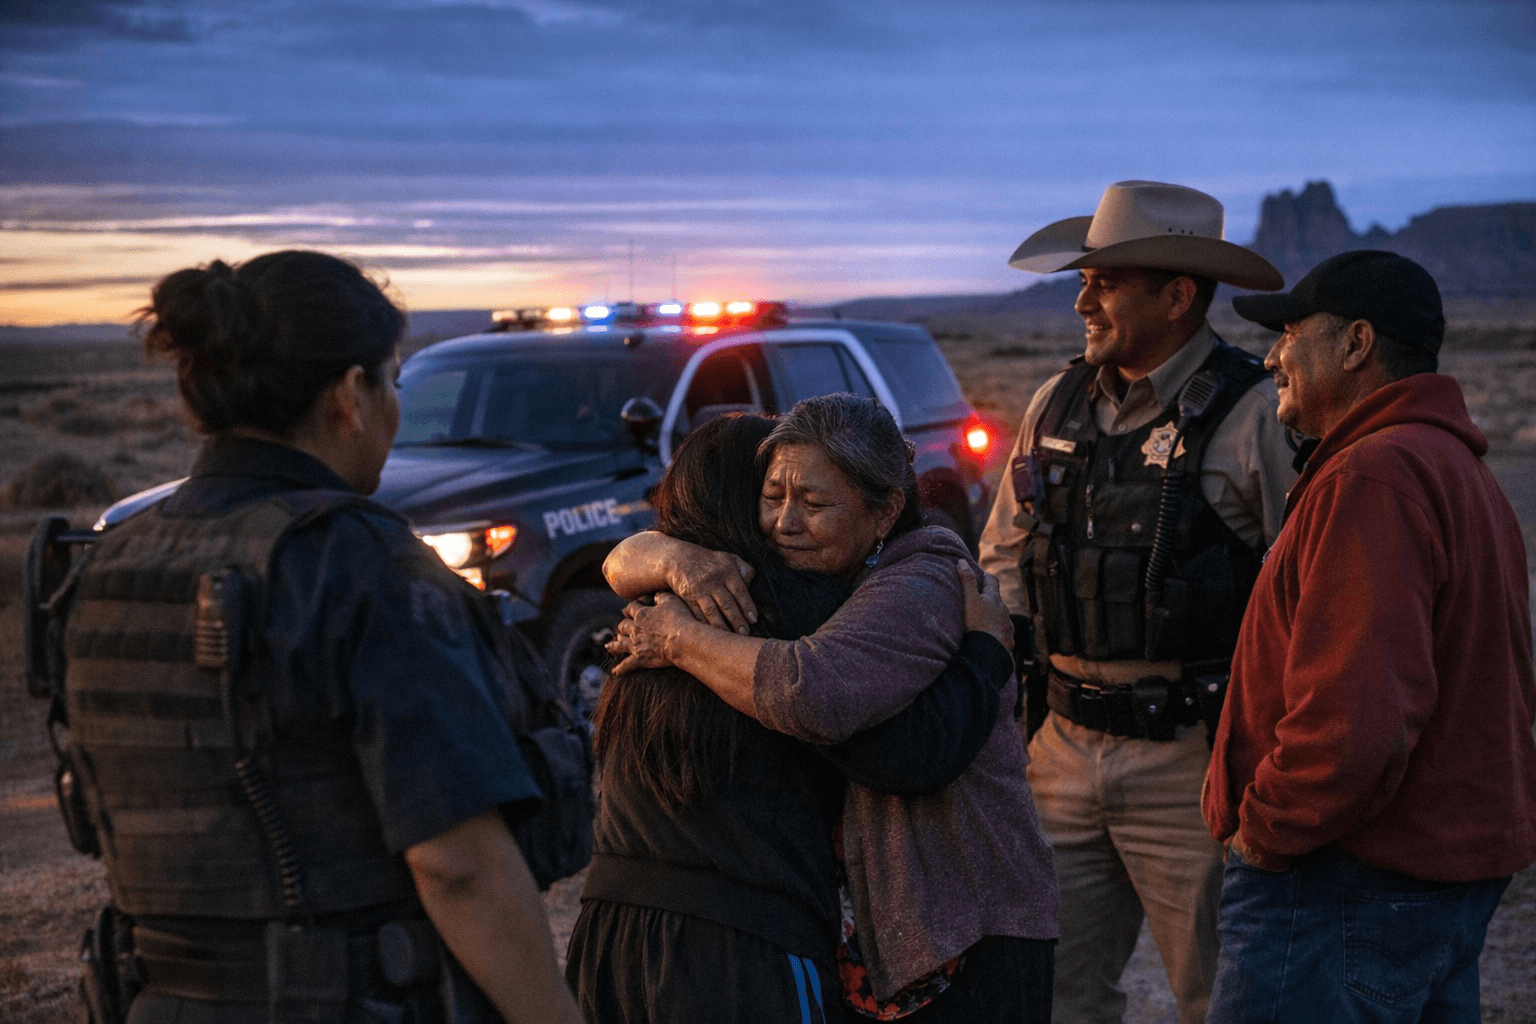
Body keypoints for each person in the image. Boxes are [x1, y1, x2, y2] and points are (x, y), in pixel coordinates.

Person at [56, 251, 581, 1023]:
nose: (396, 406)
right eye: (392, 381)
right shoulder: (361, 565)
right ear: (349, 397)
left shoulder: (115, 559)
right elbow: (458, 865)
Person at [604, 393, 1059, 1023]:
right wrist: (668, 557)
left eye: (813, 503)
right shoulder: (760, 588)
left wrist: (677, 639)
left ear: (884, 511)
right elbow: (622, 559)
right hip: (896, 946)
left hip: (967, 929)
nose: (784, 522)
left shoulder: (920, 577)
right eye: (771, 496)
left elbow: (820, 697)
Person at [977, 180, 1295, 1024]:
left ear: (1178, 294)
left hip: (1194, 761)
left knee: (1222, 997)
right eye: (1087, 280)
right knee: (1050, 994)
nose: (1083, 299)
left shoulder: (1256, 413)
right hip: (1059, 751)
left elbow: (1307, 596)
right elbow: (1002, 559)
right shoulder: (1054, 403)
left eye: (1106, 281)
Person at [1202, 250, 1536, 1021]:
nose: (1271, 356)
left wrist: (1265, 835)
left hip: (1346, 883)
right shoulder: (1454, 466)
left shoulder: (1372, 476)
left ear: (1355, 344)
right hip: (1428, 879)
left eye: (1291, 334)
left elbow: (1355, 720)